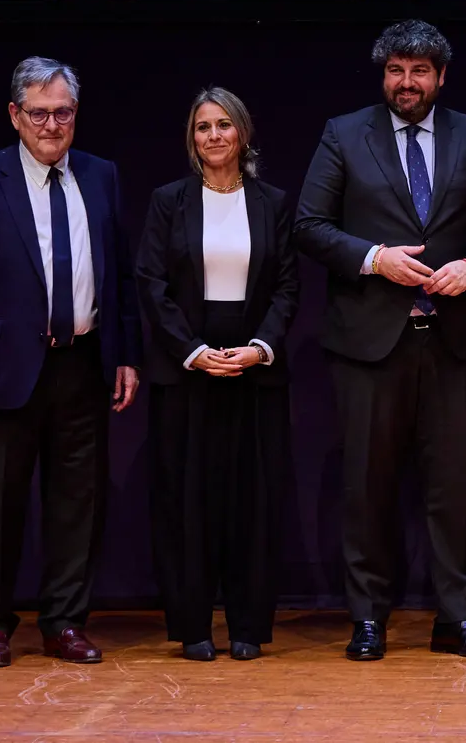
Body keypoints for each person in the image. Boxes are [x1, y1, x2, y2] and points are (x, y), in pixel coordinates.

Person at [294, 20, 466, 661]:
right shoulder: (344, 134)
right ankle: (368, 619)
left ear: (440, 77)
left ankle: (455, 618)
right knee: (367, 486)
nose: (407, 82)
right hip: (370, 344)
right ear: (383, 75)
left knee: (456, 486)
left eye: (420, 70)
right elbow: (309, 226)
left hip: (455, 343)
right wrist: (373, 258)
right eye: (396, 70)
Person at [0, 57, 142, 668]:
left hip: (83, 364)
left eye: (63, 113)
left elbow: (119, 274)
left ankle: (65, 622)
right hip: (1, 370)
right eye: (39, 113)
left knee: (78, 501)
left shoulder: (101, 176)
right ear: (15, 116)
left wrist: (124, 353)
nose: (52, 125)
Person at [136, 88, 300, 663]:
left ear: (243, 134)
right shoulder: (167, 201)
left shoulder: (274, 202)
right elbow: (151, 285)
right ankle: (193, 627)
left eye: (224, 125)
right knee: (187, 502)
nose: (213, 136)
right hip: (188, 369)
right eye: (203, 126)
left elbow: (287, 286)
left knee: (252, 502)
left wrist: (260, 347)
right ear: (192, 138)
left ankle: (249, 626)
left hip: (254, 368)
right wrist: (192, 349)